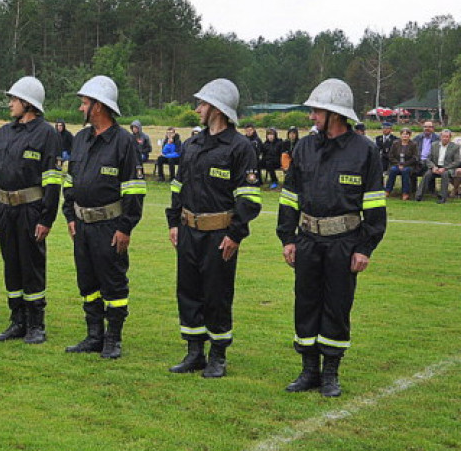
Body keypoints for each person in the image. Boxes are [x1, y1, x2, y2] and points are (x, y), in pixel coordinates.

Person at [277, 79, 386, 397]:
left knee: (337, 306)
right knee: (306, 304)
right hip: (308, 240)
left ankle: (331, 374)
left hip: (345, 243)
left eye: (316, 110)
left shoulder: (365, 150)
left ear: (334, 114)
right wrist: (288, 238)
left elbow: (375, 205)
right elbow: (289, 197)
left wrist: (365, 247)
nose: (311, 116)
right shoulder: (304, 147)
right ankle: (309, 370)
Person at [165, 79, 261, 378]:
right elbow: (178, 187)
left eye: (203, 104)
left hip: (220, 234)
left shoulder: (240, 148)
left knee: (216, 294)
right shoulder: (192, 144)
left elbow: (250, 199)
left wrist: (235, 234)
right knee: (188, 291)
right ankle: (195, 352)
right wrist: (173, 221)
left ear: (218, 109)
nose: (198, 109)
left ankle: (218, 355)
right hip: (188, 230)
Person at [62, 76, 145, 359]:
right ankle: (94, 335)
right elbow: (70, 180)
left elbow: (134, 190)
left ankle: (113, 339)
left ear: (98, 106)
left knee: (113, 283)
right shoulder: (81, 139)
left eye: (84, 103)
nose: (80, 109)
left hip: (110, 226)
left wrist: (125, 227)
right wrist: (69, 214)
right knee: (87, 282)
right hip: (81, 224)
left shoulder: (124, 142)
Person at [0, 77, 61, 345]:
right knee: (12, 267)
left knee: (32, 267)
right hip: (6, 210)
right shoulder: (4, 133)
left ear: (28, 103)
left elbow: (52, 180)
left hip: (31, 211)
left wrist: (46, 218)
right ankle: (17, 320)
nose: (10, 104)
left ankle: (35, 324)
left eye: (14, 100)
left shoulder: (47, 134)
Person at [415, 129, 460, 203]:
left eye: (447, 137)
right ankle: (419, 196)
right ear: (440, 137)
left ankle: (442, 197)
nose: (445, 138)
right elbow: (428, 159)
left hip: (447, 168)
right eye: (443, 136)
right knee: (427, 174)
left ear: (450, 138)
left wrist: (445, 168)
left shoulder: (455, 147)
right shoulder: (434, 145)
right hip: (435, 166)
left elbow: (457, 161)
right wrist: (433, 167)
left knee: (445, 174)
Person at [384, 128, 419, 199]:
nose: (405, 136)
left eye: (407, 134)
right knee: (393, 170)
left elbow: (415, 157)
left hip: (409, 165)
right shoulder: (395, 143)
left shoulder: (413, 144)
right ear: (401, 135)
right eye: (403, 134)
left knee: (405, 171)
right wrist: (398, 164)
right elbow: (391, 156)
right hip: (396, 164)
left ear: (410, 135)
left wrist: (404, 164)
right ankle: (387, 191)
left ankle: (405, 193)